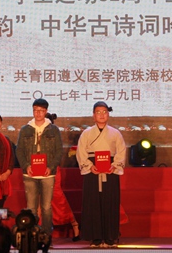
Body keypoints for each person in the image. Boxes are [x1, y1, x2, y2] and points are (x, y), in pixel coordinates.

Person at [76, 101, 126, 248]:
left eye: (104, 112)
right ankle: (95, 238)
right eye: (98, 112)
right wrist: (89, 166)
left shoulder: (115, 133)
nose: (102, 115)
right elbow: (81, 152)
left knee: (111, 202)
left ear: (108, 114)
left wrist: (114, 165)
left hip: (110, 169)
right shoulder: (86, 133)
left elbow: (121, 151)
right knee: (93, 203)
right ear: (93, 115)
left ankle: (111, 237)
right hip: (92, 170)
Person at [16, 98, 63, 238]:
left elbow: (59, 151)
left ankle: (46, 235)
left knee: (46, 207)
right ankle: (32, 236)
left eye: (41, 111)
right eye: (35, 110)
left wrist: (51, 167)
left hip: (48, 174)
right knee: (31, 207)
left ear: (46, 111)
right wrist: (26, 166)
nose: (38, 113)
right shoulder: (25, 129)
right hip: (29, 174)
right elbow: (19, 150)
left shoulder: (53, 129)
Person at [42, 112, 80, 241]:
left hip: (52, 170)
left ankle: (74, 224)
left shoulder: (55, 135)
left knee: (58, 199)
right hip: (38, 170)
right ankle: (44, 233)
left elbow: (58, 154)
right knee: (41, 200)